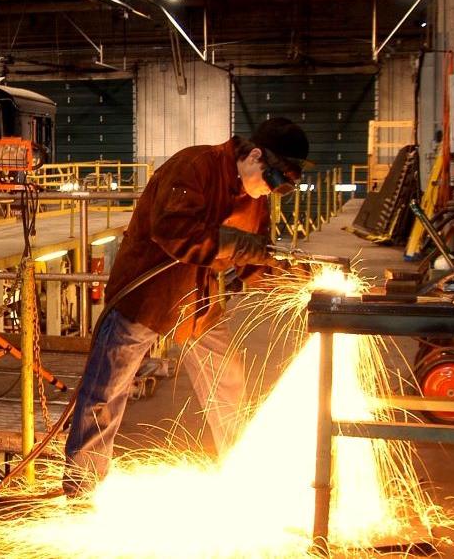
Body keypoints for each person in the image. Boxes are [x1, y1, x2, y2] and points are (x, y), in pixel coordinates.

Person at [62, 117, 310, 496]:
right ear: (255, 155)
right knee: (107, 390)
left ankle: (244, 475)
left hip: (200, 302)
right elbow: (174, 231)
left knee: (228, 387)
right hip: (148, 295)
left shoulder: (255, 199)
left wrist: (292, 277)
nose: (267, 192)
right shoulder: (193, 166)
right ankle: (83, 483)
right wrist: (241, 247)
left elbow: (254, 261)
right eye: (269, 180)